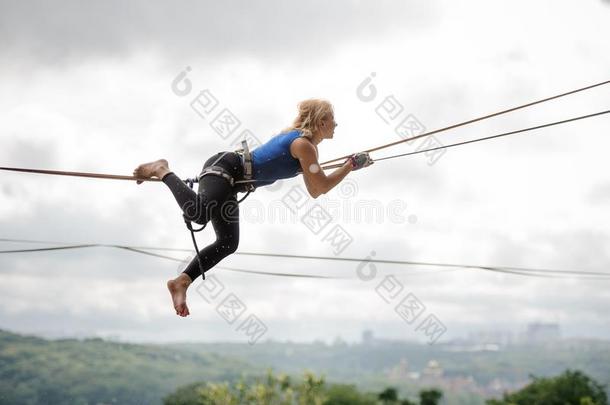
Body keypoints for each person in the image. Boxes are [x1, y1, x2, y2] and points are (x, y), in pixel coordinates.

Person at [132, 99, 373, 317]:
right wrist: (350, 165)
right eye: (333, 120)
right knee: (199, 213)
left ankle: (182, 281)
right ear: (321, 121)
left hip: (231, 182)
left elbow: (314, 190)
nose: (336, 125)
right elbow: (321, 186)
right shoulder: (303, 145)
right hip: (226, 168)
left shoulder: (306, 148)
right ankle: (161, 169)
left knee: (228, 242)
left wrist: (348, 166)